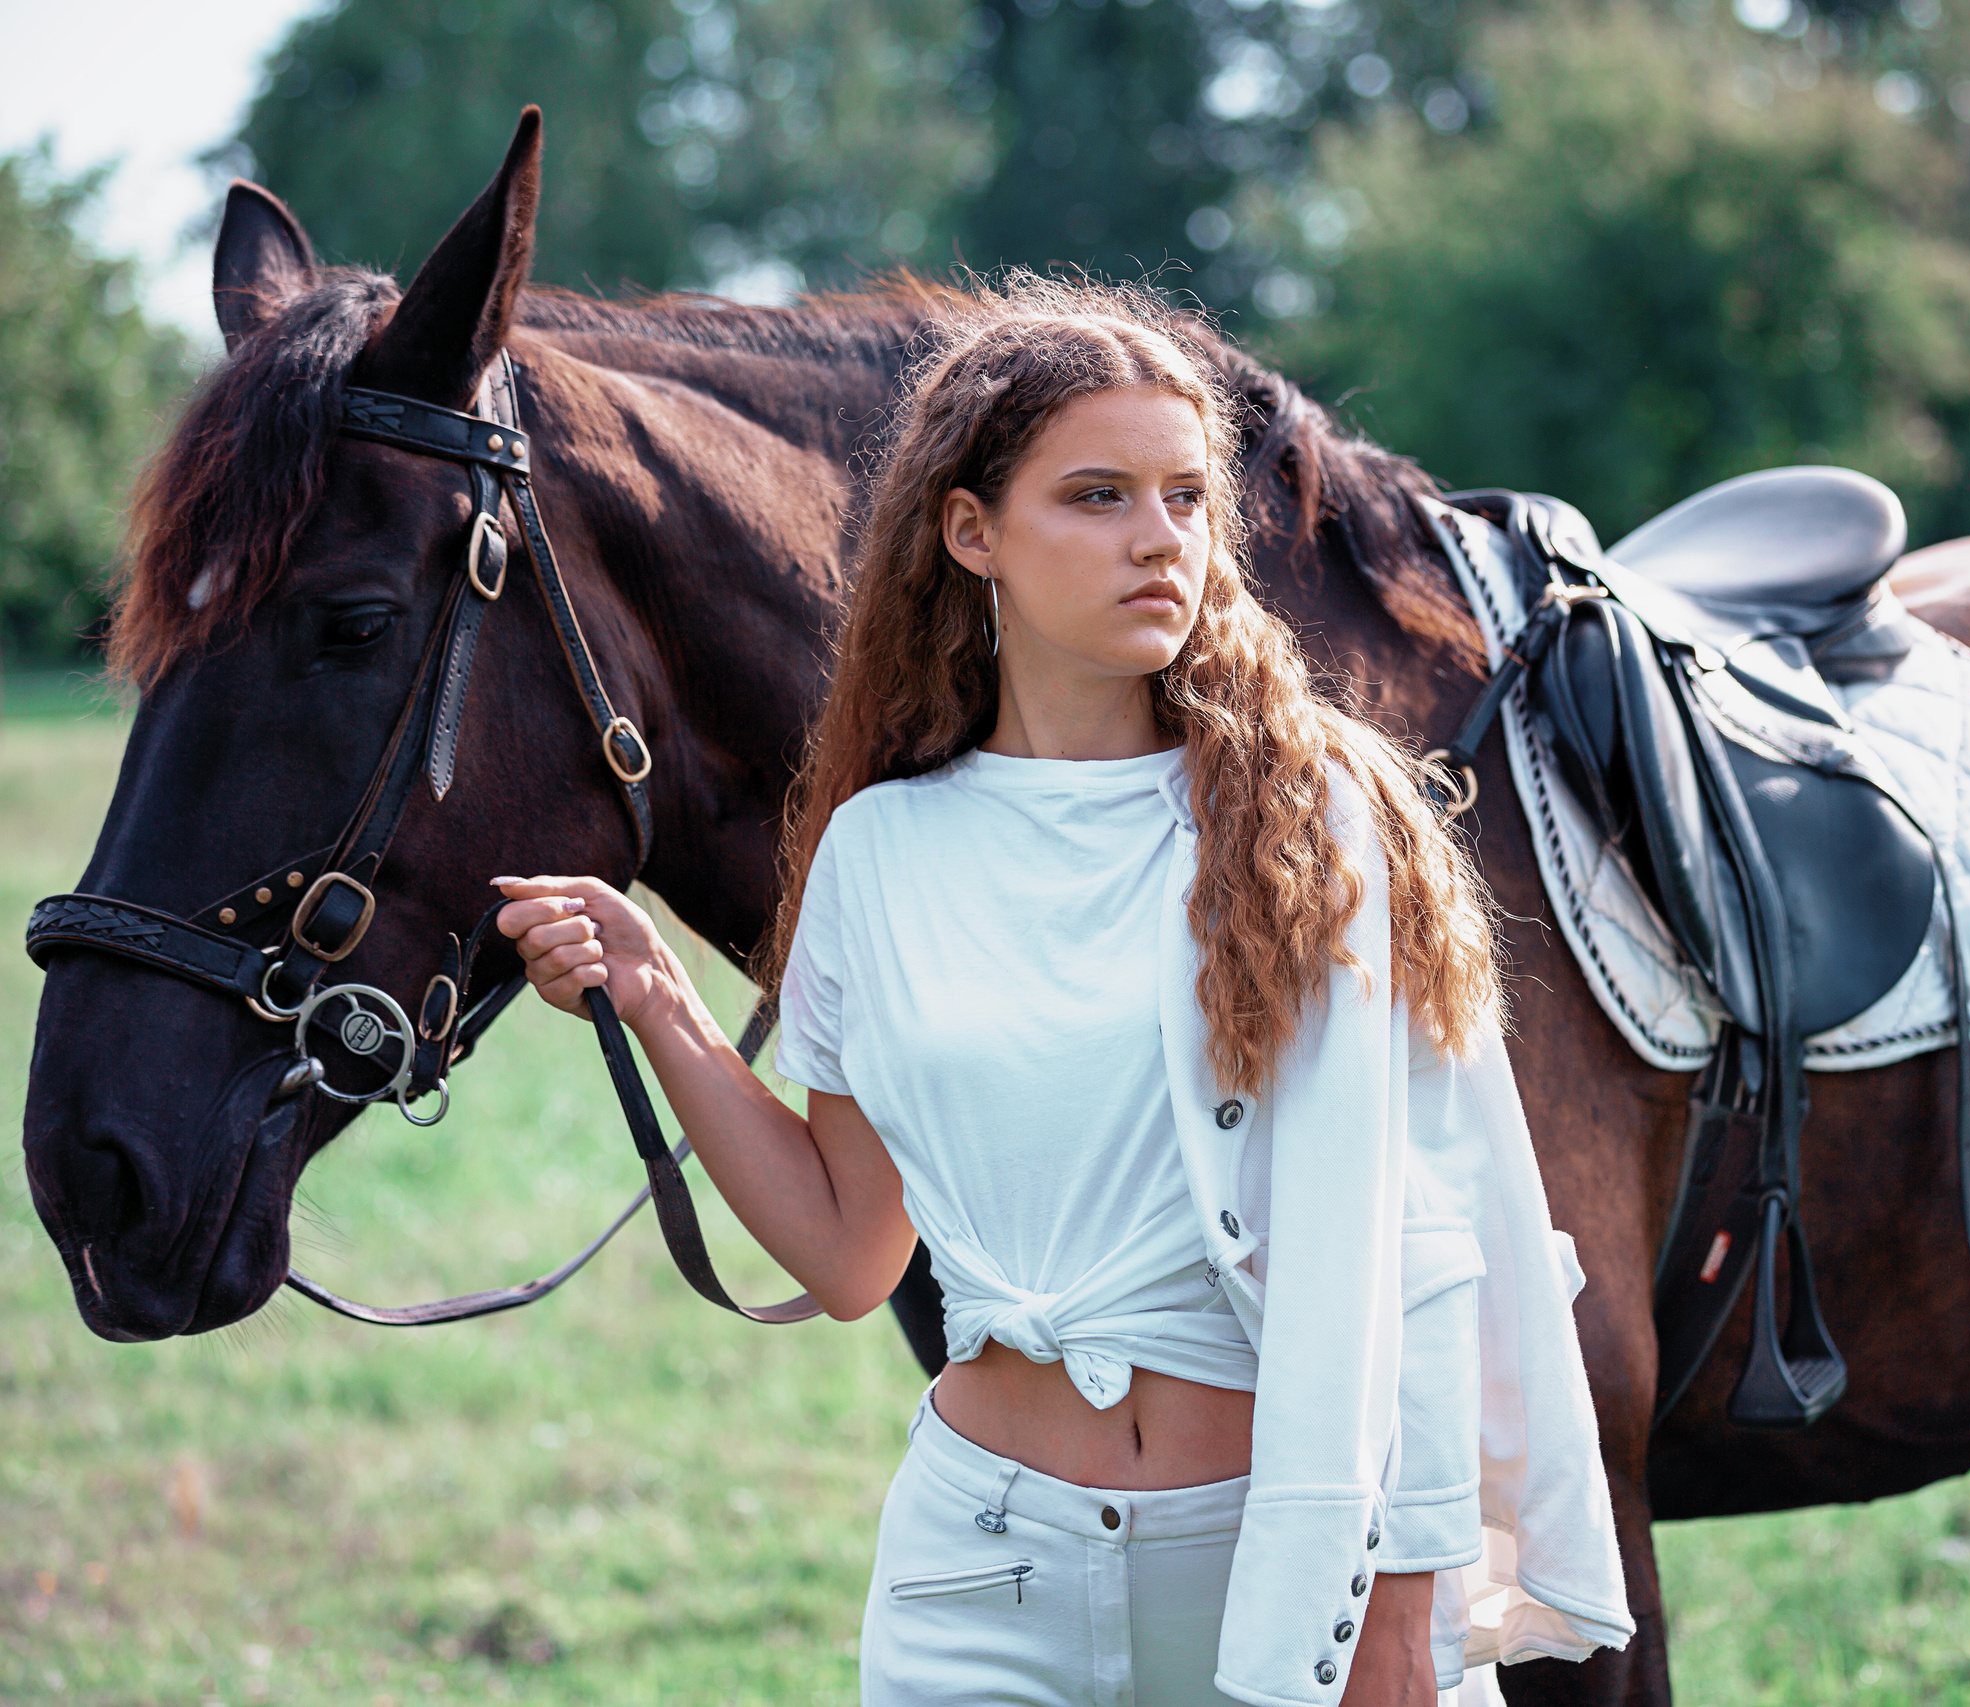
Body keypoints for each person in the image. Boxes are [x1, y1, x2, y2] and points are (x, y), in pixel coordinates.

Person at [494, 275, 1630, 1707]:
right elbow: (851, 1255)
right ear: (972, 532)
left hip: (1269, 1574)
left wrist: (1401, 1591)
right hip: (976, 1570)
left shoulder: (1312, 814)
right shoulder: (879, 848)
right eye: (1097, 496)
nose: (1158, 539)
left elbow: (1419, 1231)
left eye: (1185, 499)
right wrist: (664, 1002)